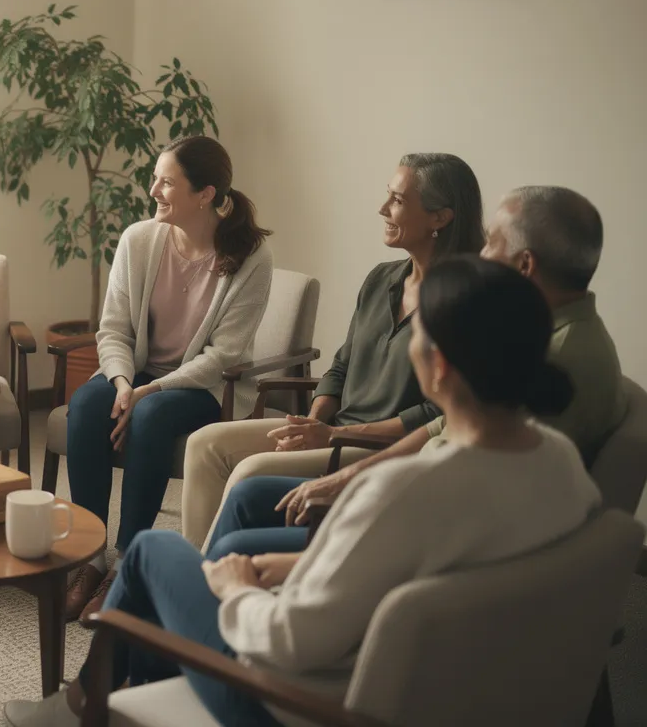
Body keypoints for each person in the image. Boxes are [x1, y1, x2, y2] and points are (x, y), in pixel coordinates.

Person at [4, 255, 602, 727]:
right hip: (440, 688)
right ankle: (129, 699)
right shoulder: (560, 463)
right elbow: (414, 567)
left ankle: (83, 705)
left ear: (439, 366)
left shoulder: (400, 491)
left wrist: (238, 591)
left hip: (288, 702)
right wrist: (296, 564)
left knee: (151, 553)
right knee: (234, 545)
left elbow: (290, 642)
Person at [208, 185, 626, 560]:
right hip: (414, 493)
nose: (481, 254)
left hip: (421, 524)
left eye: (492, 243)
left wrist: (352, 490)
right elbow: (444, 427)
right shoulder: (540, 334)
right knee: (245, 495)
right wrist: (346, 472)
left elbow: (473, 506)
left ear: (525, 264)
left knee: (233, 541)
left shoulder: (553, 355)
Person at [182, 153, 485, 552]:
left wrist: (332, 435)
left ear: (440, 218)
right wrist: (311, 423)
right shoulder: (381, 279)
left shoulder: (469, 299)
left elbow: (438, 414)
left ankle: (209, 576)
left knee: (251, 472)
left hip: (384, 447)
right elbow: (341, 365)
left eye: (397, 200)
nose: (383, 208)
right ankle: (196, 566)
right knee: (204, 444)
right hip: (335, 429)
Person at [62, 135, 274, 623]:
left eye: (166, 182)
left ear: (205, 194)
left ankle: (127, 564)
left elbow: (224, 355)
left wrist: (148, 391)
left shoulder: (250, 257)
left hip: (206, 385)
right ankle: (90, 558)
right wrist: (122, 384)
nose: (153, 189)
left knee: (152, 415)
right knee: (88, 404)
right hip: (137, 370)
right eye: (155, 178)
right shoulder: (139, 240)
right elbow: (114, 329)